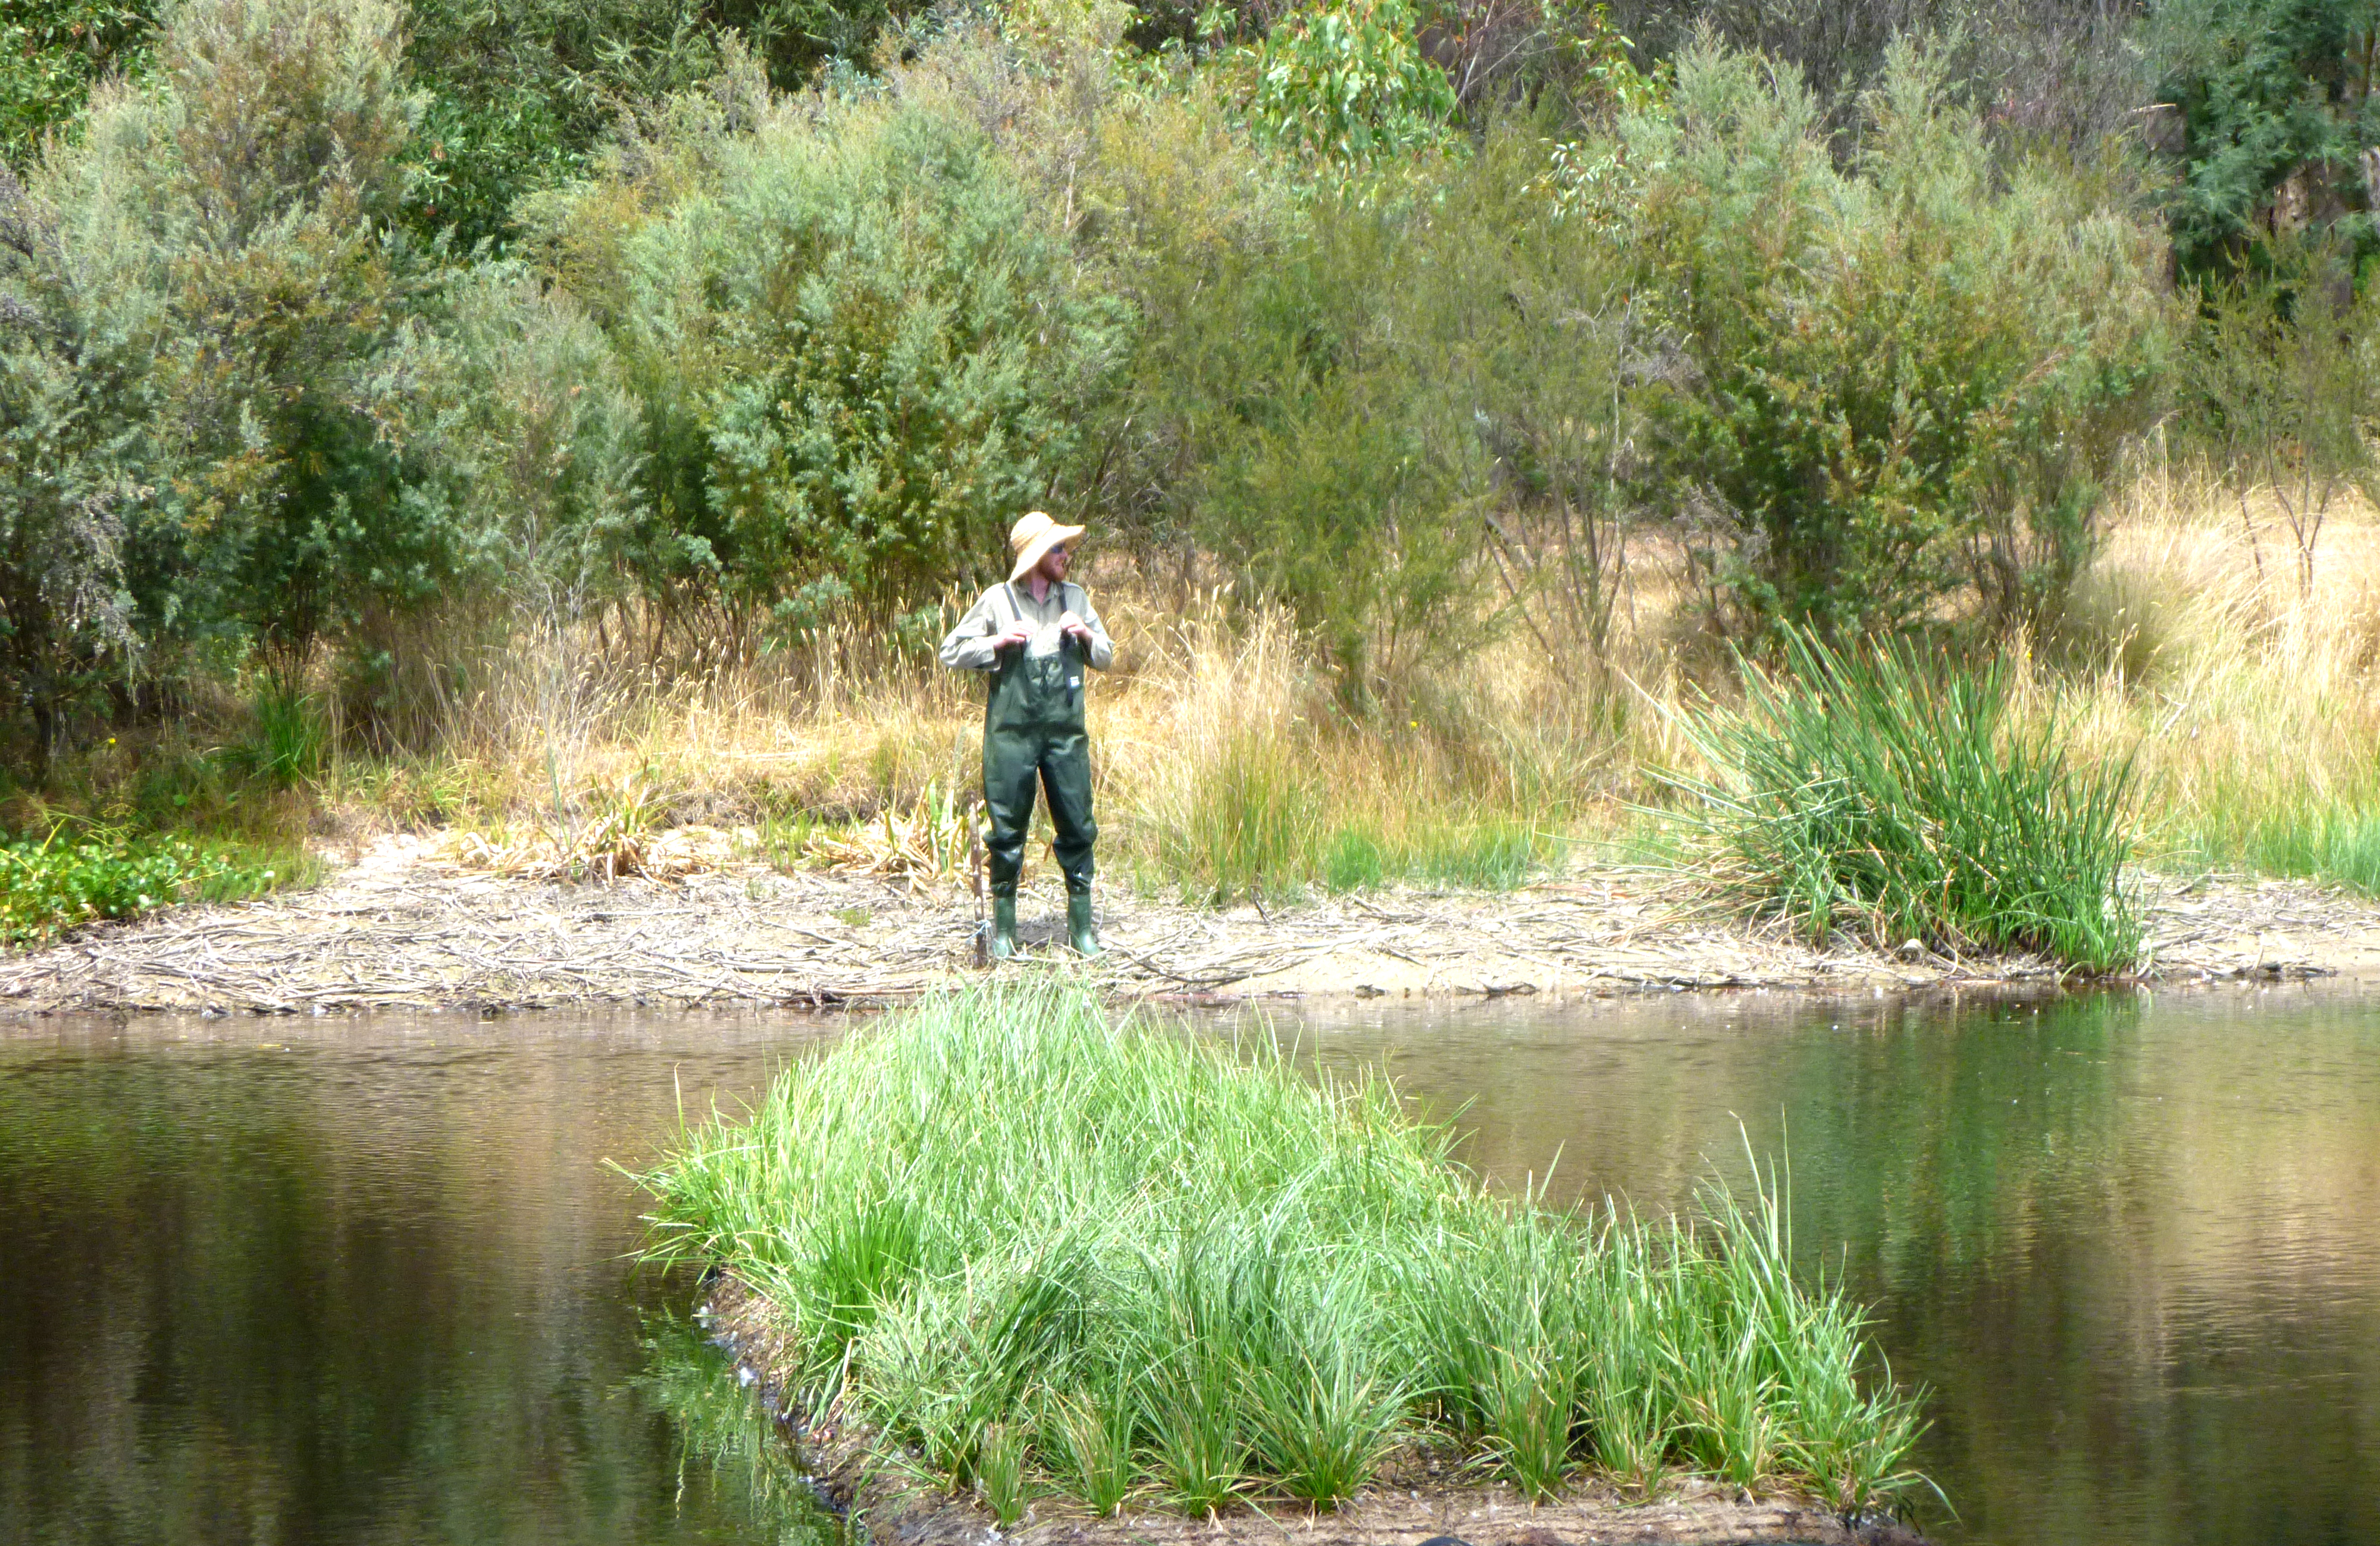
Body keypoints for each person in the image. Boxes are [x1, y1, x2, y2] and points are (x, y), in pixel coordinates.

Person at [938, 511, 1114, 958]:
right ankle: (1003, 935)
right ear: (1036, 555)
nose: (1066, 556)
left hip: (1066, 736)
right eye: (1058, 549)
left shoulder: (1075, 598)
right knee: (1007, 831)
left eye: (1066, 548)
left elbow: (1109, 656)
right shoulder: (998, 601)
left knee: (1078, 825)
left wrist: (1087, 636)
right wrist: (996, 643)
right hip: (1011, 735)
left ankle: (1081, 934)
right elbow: (950, 650)